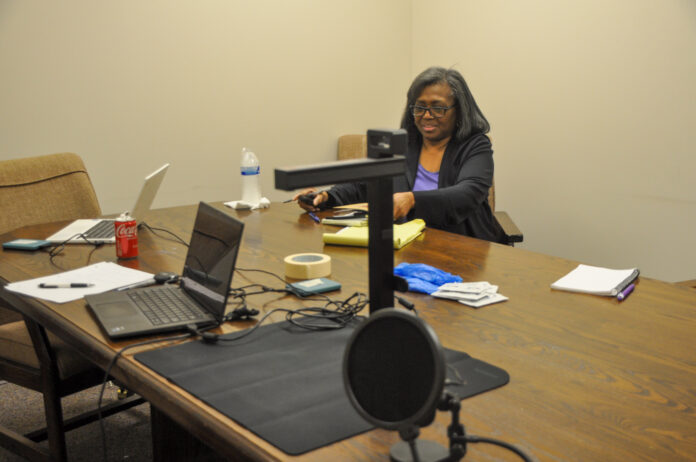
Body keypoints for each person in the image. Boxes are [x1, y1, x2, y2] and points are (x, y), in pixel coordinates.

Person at [294, 66, 506, 244]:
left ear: (459, 110)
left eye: (438, 108)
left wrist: (413, 200)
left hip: (461, 248)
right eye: (420, 107)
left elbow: (467, 194)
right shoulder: (403, 144)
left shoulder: (476, 145)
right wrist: (325, 197)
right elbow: (365, 185)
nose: (427, 116)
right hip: (405, 247)